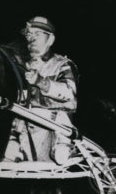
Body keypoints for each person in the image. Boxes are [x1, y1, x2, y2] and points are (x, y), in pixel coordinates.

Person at [4, 16, 78, 165]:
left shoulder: (61, 64)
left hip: (51, 126)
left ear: (50, 40)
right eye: (29, 34)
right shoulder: (19, 65)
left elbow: (69, 93)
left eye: (37, 34)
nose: (31, 38)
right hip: (22, 126)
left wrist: (40, 82)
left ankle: (64, 147)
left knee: (60, 156)